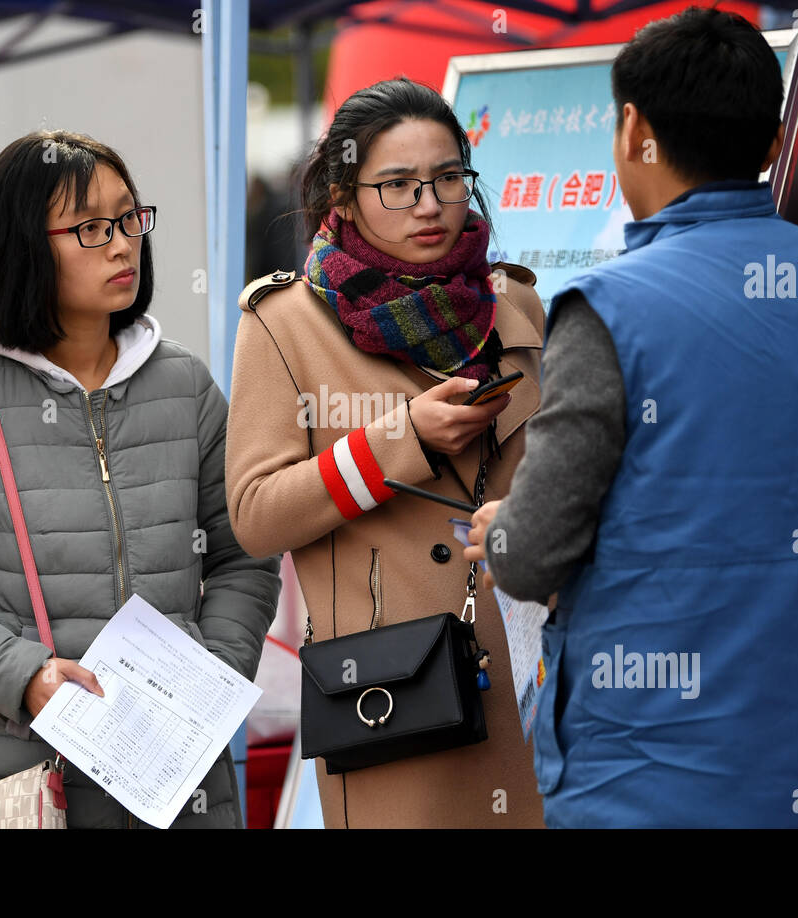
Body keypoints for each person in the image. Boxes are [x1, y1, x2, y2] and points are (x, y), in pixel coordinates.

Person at [465, 7, 798, 828]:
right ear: (774, 145)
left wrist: (502, 531)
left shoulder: (606, 308)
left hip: (649, 776)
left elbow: (530, 558)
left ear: (634, 131)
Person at [0, 131, 281, 829]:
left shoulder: (186, 385)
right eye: (90, 227)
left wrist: (213, 671)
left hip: (177, 782)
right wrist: (24, 676)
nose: (122, 244)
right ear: (22, 244)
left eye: (128, 218)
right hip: (26, 782)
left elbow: (246, 551)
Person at [226, 78, 546, 828]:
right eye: (397, 185)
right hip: (393, 693)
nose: (429, 205)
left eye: (447, 179)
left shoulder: (515, 304)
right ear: (344, 193)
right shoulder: (284, 322)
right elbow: (254, 515)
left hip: (527, 679)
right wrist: (404, 441)